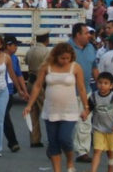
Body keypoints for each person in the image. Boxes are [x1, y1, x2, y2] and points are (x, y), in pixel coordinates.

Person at [23, 42, 89, 172]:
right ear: (55, 56)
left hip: (69, 110)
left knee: (64, 138)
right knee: (53, 142)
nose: (65, 61)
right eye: (62, 58)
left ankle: (69, 161)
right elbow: (37, 86)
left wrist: (86, 107)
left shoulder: (75, 67)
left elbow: (81, 88)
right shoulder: (46, 67)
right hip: (51, 110)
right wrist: (29, 105)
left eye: (68, 58)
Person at [88, 72, 113, 172]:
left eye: (105, 83)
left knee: (110, 152)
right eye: (100, 83)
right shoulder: (93, 97)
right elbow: (89, 108)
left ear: (111, 86)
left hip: (111, 129)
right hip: (98, 129)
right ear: (97, 83)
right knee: (97, 151)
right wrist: (84, 113)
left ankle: (110, 169)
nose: (102, 85)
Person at [71, 23, 98, 163]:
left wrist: (101, 86)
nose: (89, 35)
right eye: (86, 33)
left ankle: (82, 152)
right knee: (67, 123)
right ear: (78, 35)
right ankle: (57, 146)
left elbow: (94, 68)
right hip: (68, 92)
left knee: (85, 121)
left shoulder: (91, 48)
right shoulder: (67, 48)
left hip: (86, 91)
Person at [25, 31, 51, 148]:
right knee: (47, 111)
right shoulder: (46, 52)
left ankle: (34, 139)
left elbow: (26, 61)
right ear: (47, 40)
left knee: (33, 112)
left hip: (30, 81)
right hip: (41, 83)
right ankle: (51, 137)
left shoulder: (31, 50)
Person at [2, 35, 29, 153]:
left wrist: (24, 90)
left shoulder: (14, 59)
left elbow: (18, 75)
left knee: (4, 116)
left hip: (8, 92)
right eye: (15, 45)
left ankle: (12, 142)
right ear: (8, 45)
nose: (16, 47)